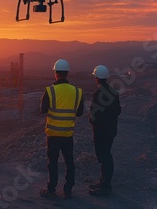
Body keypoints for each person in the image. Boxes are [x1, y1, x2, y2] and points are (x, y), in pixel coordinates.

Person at [39, 59, 84, 200]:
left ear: (56, 74)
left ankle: (51, 189)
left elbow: (42, 110)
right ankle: (68, 190)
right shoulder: (77, 92)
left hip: (53, 135)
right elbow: (80, 112)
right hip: (67, 134)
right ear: (67, 73)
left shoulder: (50, 90)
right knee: (69, 162)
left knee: (52, 162)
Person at [88, 65, 121, 196]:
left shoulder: (98, 94)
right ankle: (104, 182)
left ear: (97, 79)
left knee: (103, 156)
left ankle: (106, 186)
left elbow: (94, 115)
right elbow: (118, 110)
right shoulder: (114, 92)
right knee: (106, 154)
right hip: (111, 130)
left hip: (101, 132)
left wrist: (91, 120)